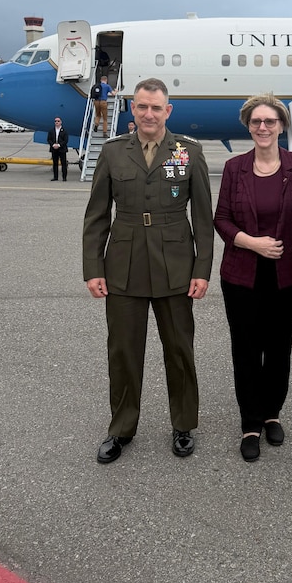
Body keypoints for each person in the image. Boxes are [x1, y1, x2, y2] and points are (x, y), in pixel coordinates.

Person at [83, 77, 213, 463]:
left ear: (168, 111)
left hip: (175, 266)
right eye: (142, 106)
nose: (149, 114)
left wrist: (202, 270)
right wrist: (93, 268)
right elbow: (96, 216)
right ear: (133, 109)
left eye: (157, 107)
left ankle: (184, 425)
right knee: (123, 352)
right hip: (123, 265)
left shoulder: (188, 152)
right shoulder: (113, 152)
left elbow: (203, 219)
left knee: (179, 350)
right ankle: (121, 428)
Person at [214, 93, 292, 461]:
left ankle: (272, 413)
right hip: (242, 275)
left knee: (278, 348)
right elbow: (221, 219)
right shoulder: (234, 167)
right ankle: (250, 423)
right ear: (248, 126)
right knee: (246, 349)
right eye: (256, 121)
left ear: (281, 126)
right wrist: (252, 243)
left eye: (270, 121)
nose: (262, 127)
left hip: (287, 274)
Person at [47, 116, 69, 181]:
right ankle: (55, 177)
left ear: (61, 122)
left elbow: (66, 140)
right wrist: (53, 145)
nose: (57, 122)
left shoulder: (64, 131)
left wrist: (59, 145)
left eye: (58, 121)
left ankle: (64, 177)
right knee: (55, 164)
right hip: (54, 149)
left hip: (62, 149)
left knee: (63, 164)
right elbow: (49, 139)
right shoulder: (51, 130)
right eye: (55, 121)